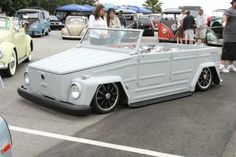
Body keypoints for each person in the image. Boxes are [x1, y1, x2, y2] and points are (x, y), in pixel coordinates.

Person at [220, 0, 236, 73]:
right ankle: (221, 66)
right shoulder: (229, 10)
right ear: (233, 3)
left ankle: (231, 65)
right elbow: (225, 17)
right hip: (228, 35)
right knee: (225, 51)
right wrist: (224, 22)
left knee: (233, 51)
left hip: (235, 36)